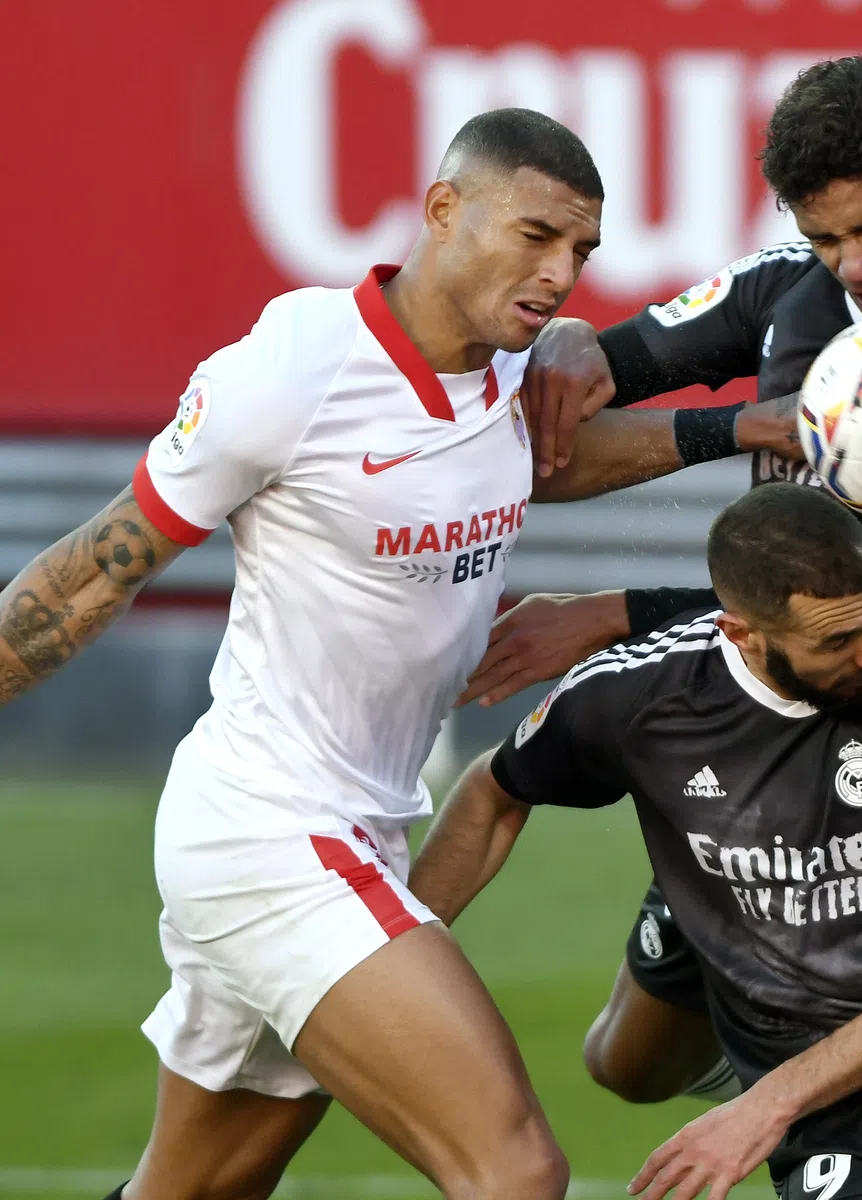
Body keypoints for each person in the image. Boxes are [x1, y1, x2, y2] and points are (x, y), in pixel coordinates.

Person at [457, 55, 862, 1111]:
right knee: (625, 1063)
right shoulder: (790, 291)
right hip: (755, 722)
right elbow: (556, 434)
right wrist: (607, 364)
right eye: (825, 237)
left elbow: (859, 604)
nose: (853, 265)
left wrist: (610, 615)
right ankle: (764, 1052)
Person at [0, 109, 613, 1199]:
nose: (562, 273)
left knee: (191, 1190)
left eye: (581, 253)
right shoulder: (298, 366)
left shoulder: (502, 378)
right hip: (269, 834)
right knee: (515, 1169)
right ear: (442, 209)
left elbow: (552, 457)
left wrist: (750, 429)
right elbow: (100, 565)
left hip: (357, 827)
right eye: (536, 236)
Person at [407, 483, 862, 1200]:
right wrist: (395, 958)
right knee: (621, 1064)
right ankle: (707, 919)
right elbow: (491, 795)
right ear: (740, 630)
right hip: (829, 1075)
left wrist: (764, 1106)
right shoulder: (634, 697)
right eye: (840, 639)